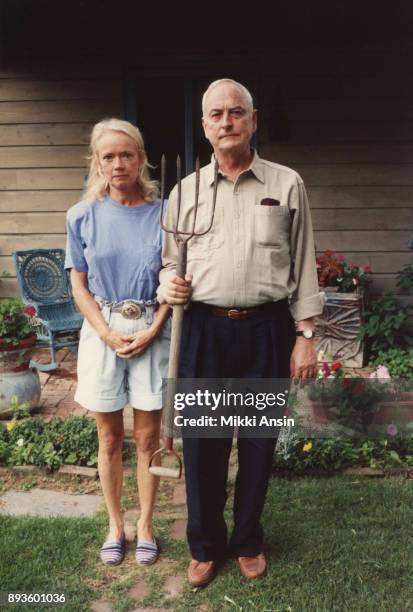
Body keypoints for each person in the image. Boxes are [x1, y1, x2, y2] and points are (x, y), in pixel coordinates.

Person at [157, 79, 324, 586]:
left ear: (253, 119)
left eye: (236, 112)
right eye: (216, 115)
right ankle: (206, 545)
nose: (226, 122)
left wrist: (306, 333)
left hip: (266, 331)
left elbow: (303, 262)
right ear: (204, 126)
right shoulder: (184, 192)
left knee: (257, 441)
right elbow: (166, 264)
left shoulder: (286, 183)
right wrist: (169, 282)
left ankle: (248, 540)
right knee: (203, 441)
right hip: (203, 331)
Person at [65, 118, 171, 567]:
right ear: (97, 162)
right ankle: (116, 525)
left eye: (127, 154)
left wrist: (154, 326)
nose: (118, 163)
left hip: (152, 322)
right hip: (102, 326)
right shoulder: (80, 215)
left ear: (141, 158)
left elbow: (175, 277)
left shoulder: (165, 212)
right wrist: (107, 332)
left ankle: (146, 524)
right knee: (108, 438)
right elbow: (79, 284)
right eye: (108, 156)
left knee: (148, 438)